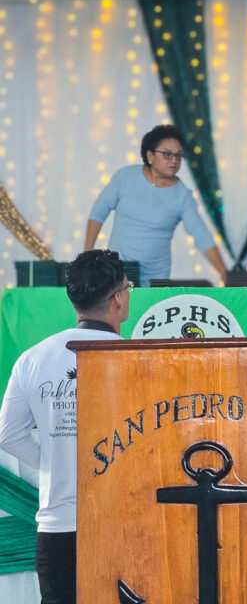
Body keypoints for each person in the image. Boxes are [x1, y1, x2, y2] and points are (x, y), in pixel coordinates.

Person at [0, 250, 131, 604]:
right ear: (118, 299)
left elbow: (8, 434)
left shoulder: (34, 358)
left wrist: (53, 461)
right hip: (122, 523)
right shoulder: (136, 360)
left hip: (57, 525)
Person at [85, 124, 229, 286]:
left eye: (179, 156)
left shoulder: (183, 196)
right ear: (150, 156)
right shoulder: (125, 177)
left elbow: (202, 237)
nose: (174, 161)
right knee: (117, 310)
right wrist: (87, 255)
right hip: (118, 272)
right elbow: (98, 214)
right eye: (167, 154)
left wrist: (225, 275)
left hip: (155, 279)